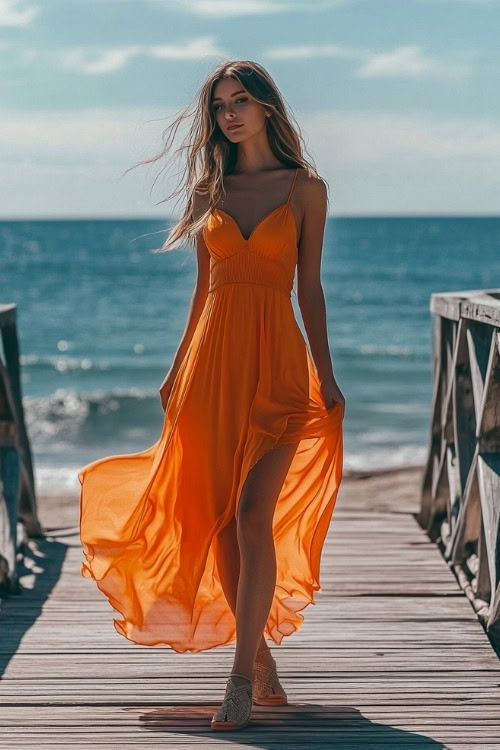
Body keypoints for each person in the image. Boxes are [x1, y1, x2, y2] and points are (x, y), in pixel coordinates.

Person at [78, 59, 345, 732]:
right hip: (211, 368)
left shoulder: (306, 190)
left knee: (255, 515)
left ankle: (237, 680)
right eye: (221, 104)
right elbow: (203, 292)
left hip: (278, 367)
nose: (230, 113)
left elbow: (308, 289)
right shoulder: (208, 189)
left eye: (241, 100)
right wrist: (174, 371)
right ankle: (256, 657)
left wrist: (328, 373)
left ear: (267, 108)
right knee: (224, 523)